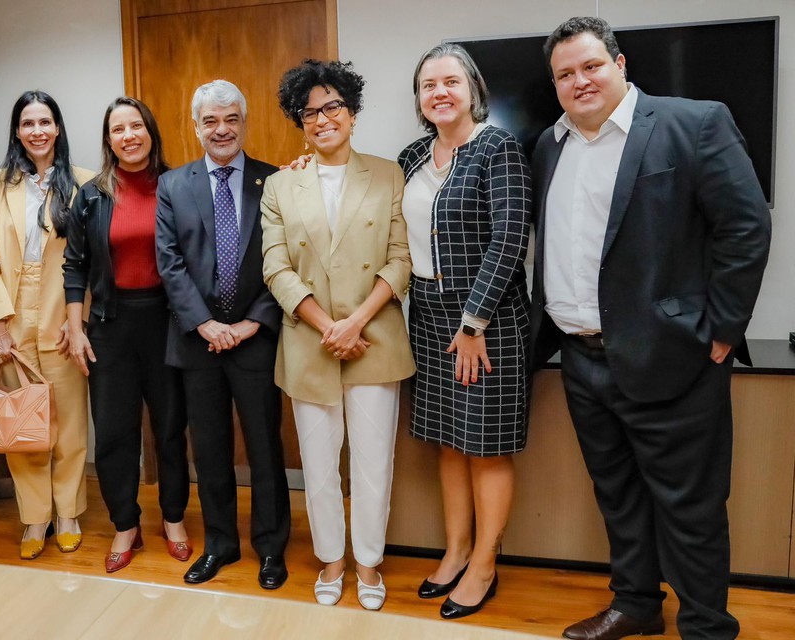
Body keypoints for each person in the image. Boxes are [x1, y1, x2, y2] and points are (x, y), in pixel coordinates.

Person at [530, 17, 771, 640]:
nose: (579, 81)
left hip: (675, 357)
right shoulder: (548, 145)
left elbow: (745, 228)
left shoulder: (694, 123)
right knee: (618, 496)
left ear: (620, 63)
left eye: (590, 66)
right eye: (564, 74)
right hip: (583, 361)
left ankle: (707, 626)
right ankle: (636, 604)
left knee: (690, 508)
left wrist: (720, 328)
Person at [262, 60, 415, 611]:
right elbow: (275, 268)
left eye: (333, 107)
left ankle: (368, 562)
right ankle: (331, 558)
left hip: (373, 338)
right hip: (310, 342)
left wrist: (354, 323)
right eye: (310, 112)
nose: (323, 119)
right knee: (319, 466)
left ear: (351, 112)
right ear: (299, 122)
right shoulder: (280, 184)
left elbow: (401, 259)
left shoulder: (389, 174)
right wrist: (329, 327)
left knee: (374, 462)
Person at [396, 44, 532, 620]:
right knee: (449, 439)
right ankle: (454, 551)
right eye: (428, 85)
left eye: (450, 81)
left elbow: (510, 238)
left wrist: (474, 321)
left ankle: (483, 563)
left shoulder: (497, 149)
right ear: (420, 99)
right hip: (425, 314)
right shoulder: (410, 157)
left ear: (473, 88)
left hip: (488, 318)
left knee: (486, 444)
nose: (439, 93)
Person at [156, 80, 291, 589]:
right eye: (210, 120)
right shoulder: (173, 185)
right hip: (198, 341)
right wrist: (205, 323)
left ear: (244, 122)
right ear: (196, 127)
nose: (221, 129)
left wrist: (251, 322)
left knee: (264, 448)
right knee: (208, 449)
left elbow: (282, 258)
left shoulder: (272, 181)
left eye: (230, 118)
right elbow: (168, 263)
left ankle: (271, 548)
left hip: (255, 337)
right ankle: (220, 544)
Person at [63, 97, 191, 573]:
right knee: (114, 433)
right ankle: (125, 524)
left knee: (171, 427)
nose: (129, 136)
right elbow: (74, 266)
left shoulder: (178, 185)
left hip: (168, 324)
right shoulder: (92, 195)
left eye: (136, 125)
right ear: (108, 140)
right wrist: (76, 330)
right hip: (110, 328)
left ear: (150, 131)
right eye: (118, 129)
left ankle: (174, 518)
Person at [0, 91, 94, 559]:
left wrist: (76, 320)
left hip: (62, 308)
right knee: (20, 421)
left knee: (68, 422)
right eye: (28, 123)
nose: (37, 131)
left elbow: (91, 259)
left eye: (45, 121)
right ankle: (35, 518)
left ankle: (68, 511)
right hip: (9, 309)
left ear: (58, 128)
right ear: (17, 131)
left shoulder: (84, 183)